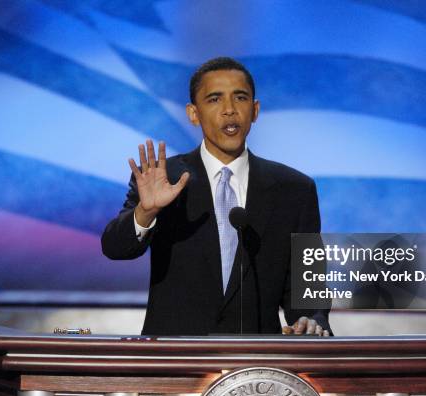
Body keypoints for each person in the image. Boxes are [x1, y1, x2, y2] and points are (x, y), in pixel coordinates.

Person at [102, 57, 331, 336]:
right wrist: (146, 213)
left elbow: (308, 289)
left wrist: (311, 321)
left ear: (255, 110)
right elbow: (115, 247)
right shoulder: (164, 177)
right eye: (214, 99)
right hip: (176, 363)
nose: (229, 110)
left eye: (240, 98)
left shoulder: (295, 189)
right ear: (193, 113)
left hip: (258, 362)